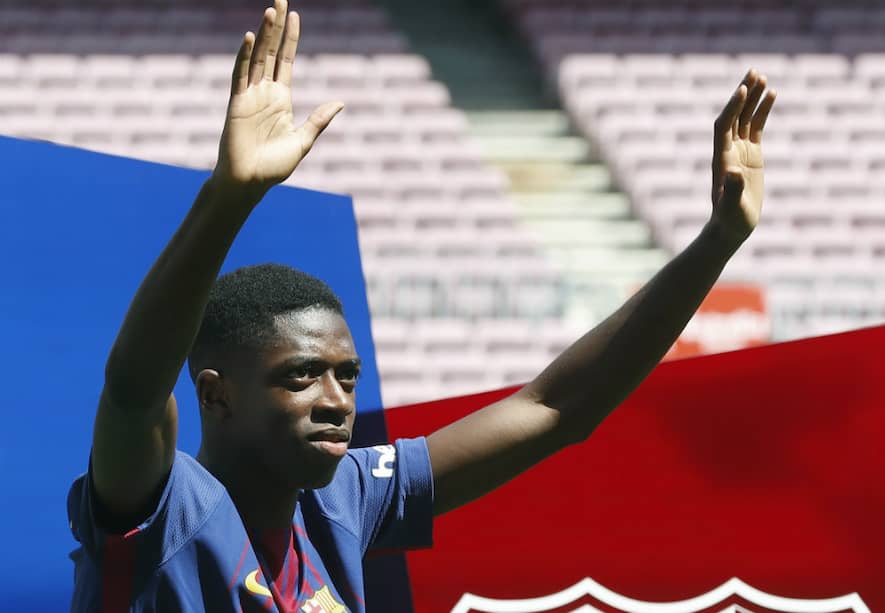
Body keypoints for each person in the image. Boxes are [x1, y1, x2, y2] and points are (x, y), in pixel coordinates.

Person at [66, 1, 776, 611]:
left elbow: (556, 408)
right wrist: (229, 198)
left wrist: (715, 244)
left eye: (347, 375)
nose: (335, 399)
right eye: (301, 375)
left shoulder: (342, 500)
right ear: (215, 396)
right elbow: (134, 389)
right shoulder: (158, 505)